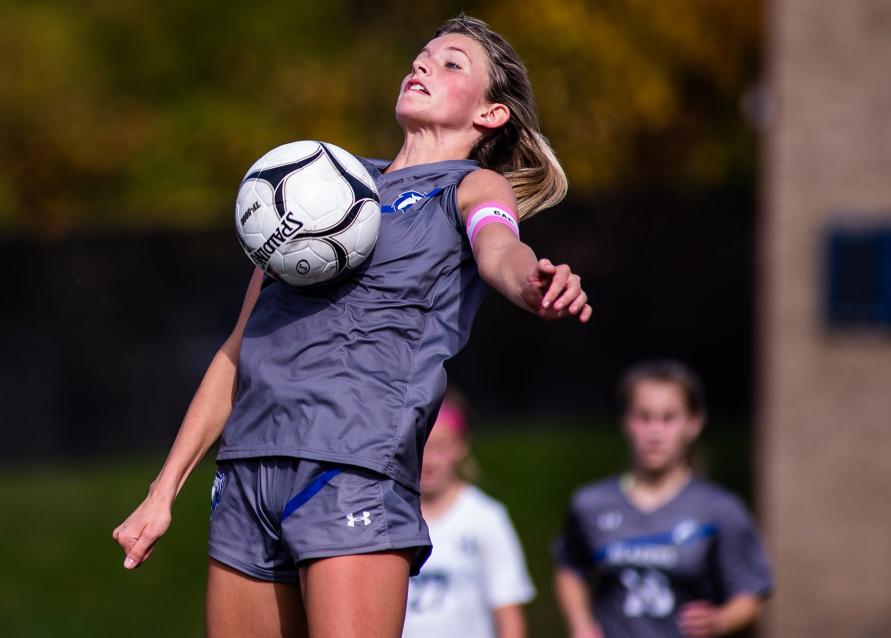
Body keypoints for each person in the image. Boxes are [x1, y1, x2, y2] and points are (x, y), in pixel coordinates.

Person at [112, 14, 591, 638]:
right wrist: (161, 492)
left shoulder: (471, 186)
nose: (422, 65)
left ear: (490, 114)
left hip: (350, 469)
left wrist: (530, 284)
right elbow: (236, 352)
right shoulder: (315, 182)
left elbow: (500, 247)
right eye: (421, 55)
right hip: (249, 469)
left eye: (451, 64)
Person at [553, 360, 772, 638]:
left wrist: (720, 620)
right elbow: (570, 570)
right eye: (644, 417)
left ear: (694, 423)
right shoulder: (591, 503)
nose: (655, 432)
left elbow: (749, 595)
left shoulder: (720, 510)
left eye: (668, 418)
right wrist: (581, 623)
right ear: (626, 422)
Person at [403, 392, 534, 638]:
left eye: (441, 447)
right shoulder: (389, 518)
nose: (430, 460)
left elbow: (508, 610)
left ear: (461, 446)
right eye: (423, 447)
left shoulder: (486, 518)